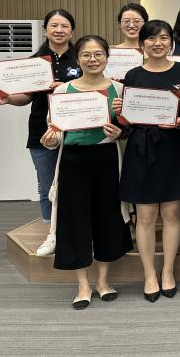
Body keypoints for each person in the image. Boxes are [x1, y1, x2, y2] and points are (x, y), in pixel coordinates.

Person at [39, 35, 132, 309]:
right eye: (86, 55)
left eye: (98, 54)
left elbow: (127, 127)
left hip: (106, 159)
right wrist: (50, 139)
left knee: (108, 219)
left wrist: (119, 132)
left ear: (107, 57)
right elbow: (55, 130)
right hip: (73, 161)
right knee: (74, 221)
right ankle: (83, 285)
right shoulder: (62, 91)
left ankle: (103, 281)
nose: (93, 59)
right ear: (78, 59)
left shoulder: (119, 89)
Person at [114, 20, 180, 302]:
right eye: (151, 38)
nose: (157, 43)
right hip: (141, 148)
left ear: (171, 42)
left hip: (173, 147)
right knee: (146, 215)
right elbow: (126, 121)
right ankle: (149, 274)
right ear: (142, 44)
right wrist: (120, 112)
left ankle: (168, 271)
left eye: (163, 38)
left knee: (172, 213)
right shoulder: (132, 75)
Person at [0, 9, 81, 257]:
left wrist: (65, 89)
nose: (59, 30)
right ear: (45, 30)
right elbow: (26, 97)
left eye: (64, 26)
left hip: (76, 131)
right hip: (41, 131)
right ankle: (51, 233)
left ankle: (75, 232)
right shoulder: (34, 61)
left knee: (74, 183)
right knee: (47, 186)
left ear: (72, 30)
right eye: (54, 25)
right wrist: (9, 99)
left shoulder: (81, 57)